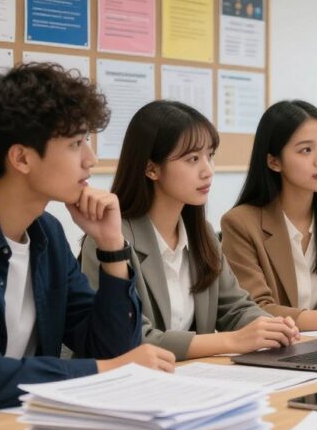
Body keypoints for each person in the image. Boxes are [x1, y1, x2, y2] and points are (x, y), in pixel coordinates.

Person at [0, 63, 174, 416]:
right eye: (75, 143)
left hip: (21, 425)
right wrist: (106, 371)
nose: (90, 160)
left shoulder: (45, 231)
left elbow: (110, 348)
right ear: (21, 158)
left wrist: (111, 244)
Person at [80, 101, 299, 361]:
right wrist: (231, 340)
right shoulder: (109, 240)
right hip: (125, 385)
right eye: (192, 159)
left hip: (187, 379)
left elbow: (234, 307)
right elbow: (132, 337)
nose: (208, 171)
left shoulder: (202, 233)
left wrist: (270, 327)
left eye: (210, 155)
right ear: (151, 168)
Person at [221, 100, 317, 331]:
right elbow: (254, 308)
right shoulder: (240, 223)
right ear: (274, 161)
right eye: (306, 150)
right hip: (277, 349)